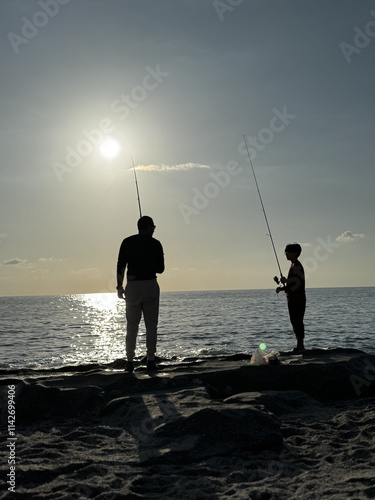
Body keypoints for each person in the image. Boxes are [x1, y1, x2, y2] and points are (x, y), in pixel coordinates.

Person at [116, 216, 165, 372]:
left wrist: (119, 286)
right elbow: (161, 269)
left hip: (133, 286)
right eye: (153, 227)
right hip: (150, 285)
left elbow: (120, 266)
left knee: (132, 326)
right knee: (151, 326)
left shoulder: (127, 242)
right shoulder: (156, 244)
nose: (154, 229)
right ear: (148, 227)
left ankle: (129, 362)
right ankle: (150, 360)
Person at [276, 243, 306, 352]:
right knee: (295, 321)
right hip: (292, 299)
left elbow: (297, 282)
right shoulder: (293, 265)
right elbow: (292, 285)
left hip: (297, 299)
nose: (286, 254)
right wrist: (283, 288)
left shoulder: (297, 266)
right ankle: (299, 345)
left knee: (297, 321)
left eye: (288, 252)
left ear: (295, 253)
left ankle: (301, 346)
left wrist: (286, 281)